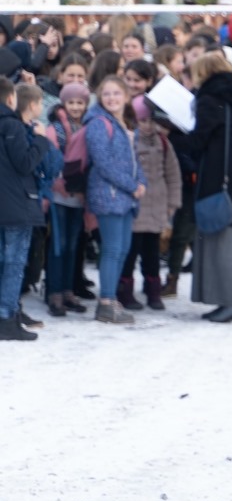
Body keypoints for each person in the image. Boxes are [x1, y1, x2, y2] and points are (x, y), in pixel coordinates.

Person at [188, 50, 232, 323]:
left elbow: (198, 141)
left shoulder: (210, 99)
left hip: (218, 178)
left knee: (223, 242)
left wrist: (175, 135)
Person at [83, 76, 147, 326]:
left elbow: (134, 159)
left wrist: (141, 183)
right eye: (106, 94)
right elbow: (103, 162)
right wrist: (132, 186)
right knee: (111, 249)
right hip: (108, 194)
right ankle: (106, 302)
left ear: (126, 96)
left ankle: (111, 299)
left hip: (126, 196)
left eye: (116, 93)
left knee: (122, 249)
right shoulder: (99, 123)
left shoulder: (127, 122)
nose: (111, 98)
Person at [0, 77, 51, 340]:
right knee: (14, 263)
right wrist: (41, 141)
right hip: (16, 206)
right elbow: (24, 163)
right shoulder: (13, 126)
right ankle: (7, 317)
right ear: (11, 99)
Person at [122, 94, 181, 312]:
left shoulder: (163, 143)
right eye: (142, 120)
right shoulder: (129, 141)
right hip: (135, 206)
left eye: (150, 120)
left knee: (152, 253)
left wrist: (173, 202)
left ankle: (153, 291)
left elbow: (173, 174)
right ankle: (125, 290)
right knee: (130, 252)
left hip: (157, 206)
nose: (147, 125)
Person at [44, 80, 90, 316]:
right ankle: (53, 292)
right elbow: (51, 160)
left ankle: (68, 290)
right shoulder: (56, 129)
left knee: (73, 245)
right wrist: (59, 181)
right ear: (63, 103)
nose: (75, 107)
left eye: (79, 103)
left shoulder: (87, 125)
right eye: (71, 102)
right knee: (58, 245)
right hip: (60, 194)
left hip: (79, 194)